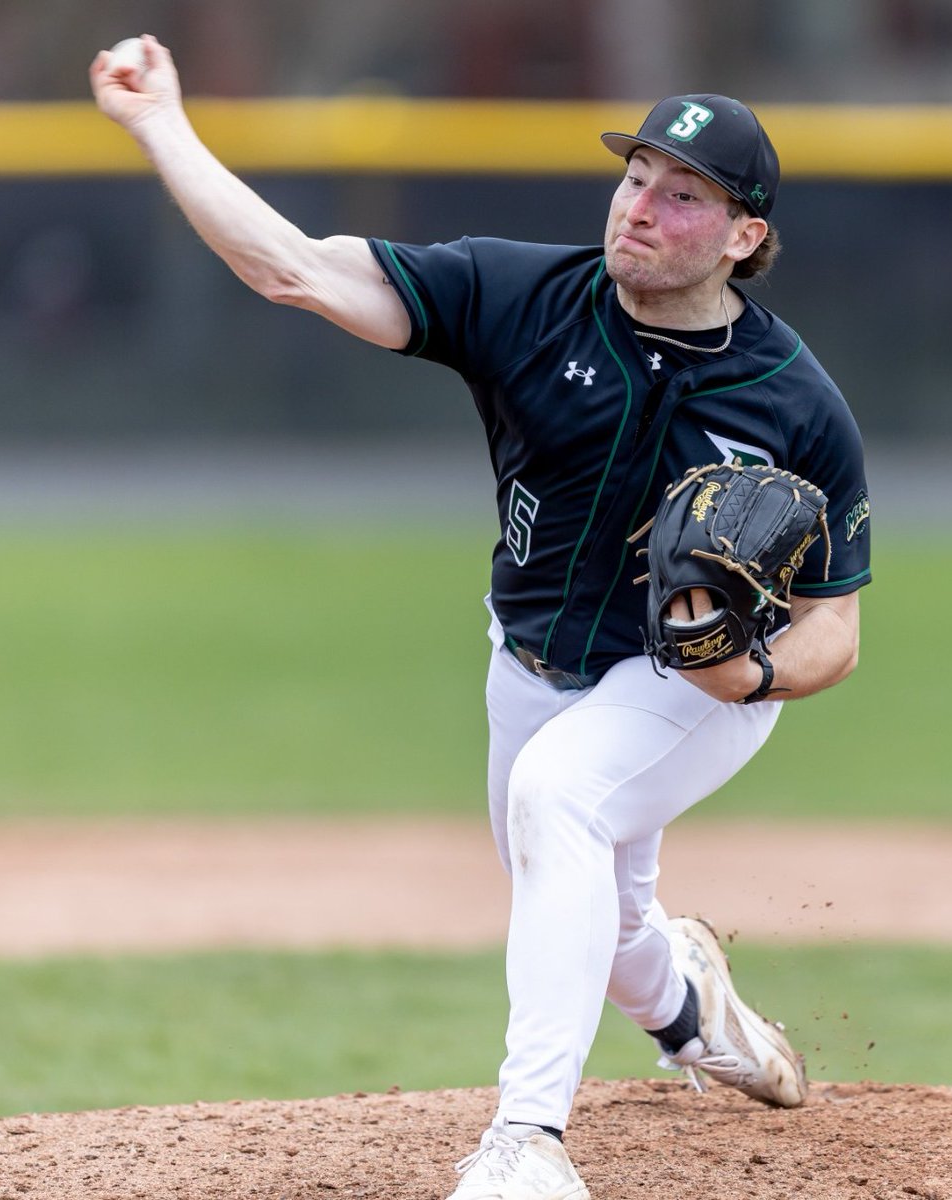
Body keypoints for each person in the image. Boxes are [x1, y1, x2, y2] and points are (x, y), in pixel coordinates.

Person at [91, 38, 871, 1200]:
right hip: (531, 660)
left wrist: (749, 681)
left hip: (687, 686)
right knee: (593, 910)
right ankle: (695, 1006)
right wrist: (161, 127)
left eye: (683, 195)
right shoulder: (521, 297)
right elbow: (295, 269)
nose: (640, 208)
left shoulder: (796, 403)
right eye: (635, 178)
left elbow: (834, 631)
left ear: (744, 236)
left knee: (556, 798)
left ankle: (527, 1144)